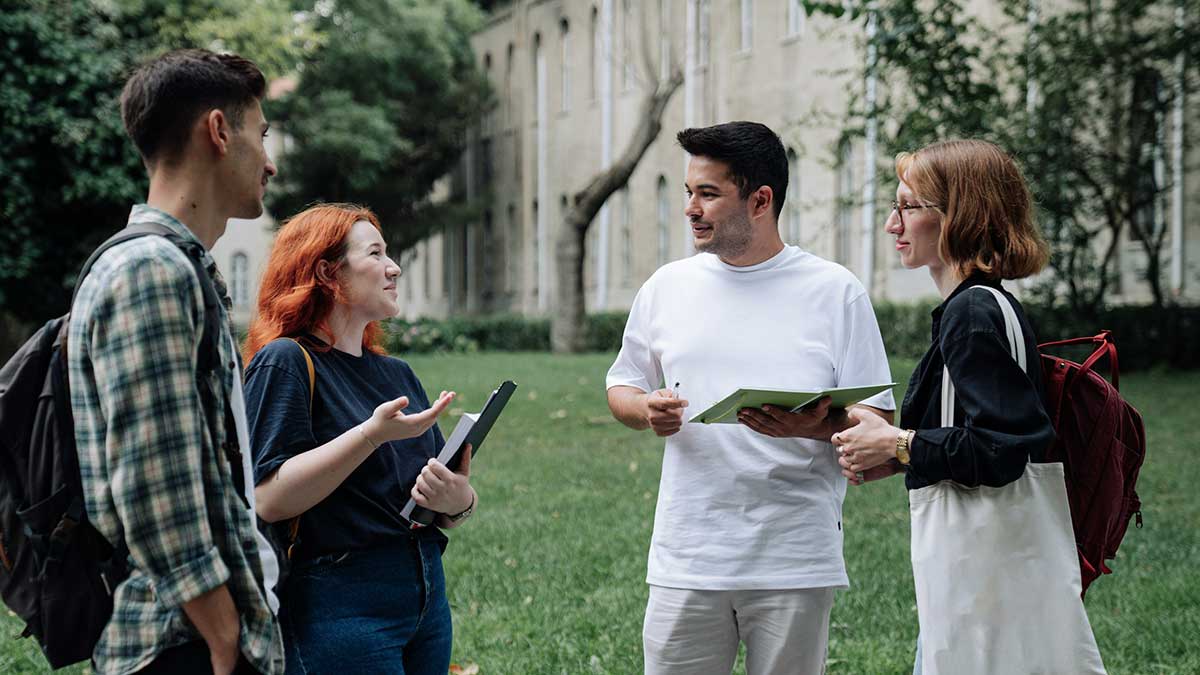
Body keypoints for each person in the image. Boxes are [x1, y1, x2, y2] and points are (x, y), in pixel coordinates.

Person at [606, 121, 896, 675]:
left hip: (793, 556)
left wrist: (810, 425)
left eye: (708, 194)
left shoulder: (835, 291)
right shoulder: (666, 287)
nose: (691, 207)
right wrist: (646, 411)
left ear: (761, 199)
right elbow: (621, 384)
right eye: (690, 192)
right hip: (688, 554)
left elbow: (876, 419)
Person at [831, 139, 1104, 673]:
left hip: (978, 570)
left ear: (960, 215)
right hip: (992, 567)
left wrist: (898, 442)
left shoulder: (972, 311)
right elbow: (982, 429)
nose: (892, 223)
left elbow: (1003, 448)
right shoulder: (993, 303)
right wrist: (900, 454)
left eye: (908, 206)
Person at [67, 49, 283, 674]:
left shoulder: (177, 266)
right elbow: (153, 481)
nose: (269, 163)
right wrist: (222, 638)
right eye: (260, 134)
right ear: (219, 131)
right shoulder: (151, 272)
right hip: (180, 644)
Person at [241, 203, 474, 675]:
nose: (395, 267)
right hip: (339, 603)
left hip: (426, 595)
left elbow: (442, 504)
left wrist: (458, 499)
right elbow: (268, 498)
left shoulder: (395, 373)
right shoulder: (285, 361)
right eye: (376, 254)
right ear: (328, 272)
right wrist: (370, 435)